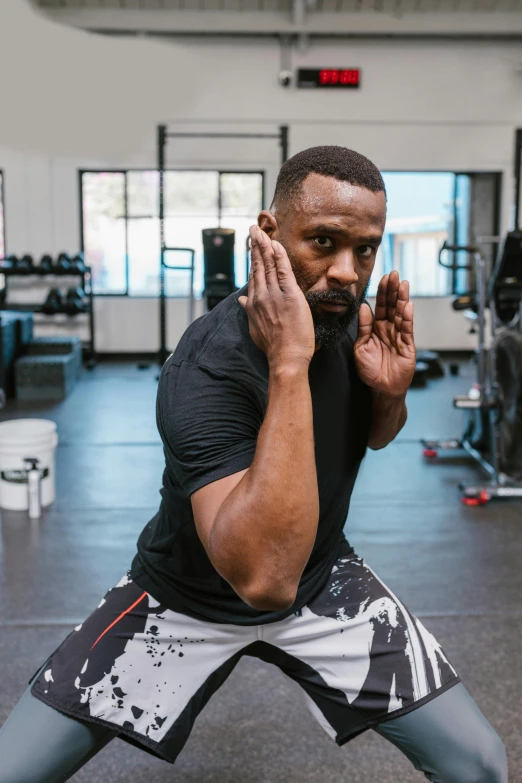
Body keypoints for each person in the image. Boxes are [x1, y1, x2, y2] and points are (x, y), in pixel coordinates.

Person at [0, 146, 508, 783]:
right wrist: (288, 364)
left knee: (481, 764)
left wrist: (391, 393)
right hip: (185, 598)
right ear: (269, 234)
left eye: (366, 249)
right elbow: (262, 579)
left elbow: (378, 438)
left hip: (322, 583)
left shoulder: (344, 323)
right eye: (323, 241)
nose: (347, 272)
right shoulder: (206, 364)